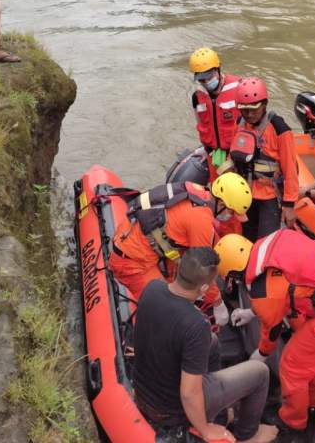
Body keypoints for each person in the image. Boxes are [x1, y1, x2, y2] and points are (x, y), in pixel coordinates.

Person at [215, 229, 315, 435]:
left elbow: (271, 328)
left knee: (292, 365)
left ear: (234, 272)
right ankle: (313, 403)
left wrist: (261, 354)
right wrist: (252, 312)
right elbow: (289, 288)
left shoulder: (264, 290)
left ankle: (292, 421)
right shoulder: (269, 242)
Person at [133, 248, 277, 443]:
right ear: (202, 289)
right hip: (173, 409)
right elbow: (189, 393)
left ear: (177, 270)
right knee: (260, 372)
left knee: (212, 341)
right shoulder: (195, 325)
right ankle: (248, 434)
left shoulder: (152, 288)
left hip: (145, 390)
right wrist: (204, 428)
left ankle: (219, 414)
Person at [108, 173, 252, 321]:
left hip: (136, 239)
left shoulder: (199, 194)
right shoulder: (201, 221)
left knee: (176, 288)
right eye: (232, 212)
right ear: (221, 204)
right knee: (168, 313)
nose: (231, 217)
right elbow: (202, 271)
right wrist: (217, 301)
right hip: (133, 262)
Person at [224, 77, 298, 239]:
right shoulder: (240, 123)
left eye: (254, 109)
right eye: (244, 109)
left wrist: (289, 204)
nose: (249, 114)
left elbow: (290, 169)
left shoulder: (279, 129)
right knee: (247, 237)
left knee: (266, 242)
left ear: (264, 104)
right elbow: (233, 154)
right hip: (244, 194)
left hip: (268, 196)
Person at [189, 47, 241, 181]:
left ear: (218, 69)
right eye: (202, 80)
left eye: (209, 77)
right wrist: (207, 149)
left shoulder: (239, 88)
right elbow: (201, 125)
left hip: (238, 153)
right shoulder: (197, 97)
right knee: (216, 190)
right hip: (214, 153)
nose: (206, 83)